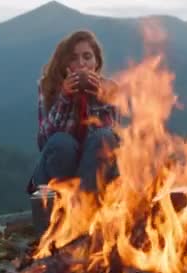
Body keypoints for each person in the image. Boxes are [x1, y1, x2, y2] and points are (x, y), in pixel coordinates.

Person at [27, 30, 121, 196]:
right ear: (65, 64)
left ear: (96, 63)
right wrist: (65, 98)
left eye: (87, 57)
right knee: (62, 142)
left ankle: (82, 207)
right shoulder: (48, 86)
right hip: (56, 171)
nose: (81, 64)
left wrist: (99, 97)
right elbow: (44, 141)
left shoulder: (110, 89)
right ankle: (68, 206)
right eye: (73, 58)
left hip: (94, 173)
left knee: (104, 137)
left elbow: (109, 139)